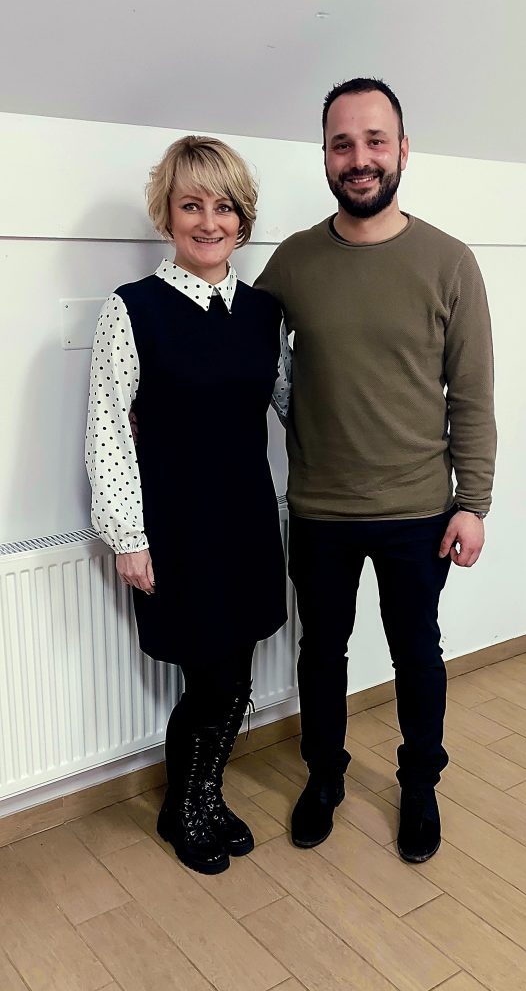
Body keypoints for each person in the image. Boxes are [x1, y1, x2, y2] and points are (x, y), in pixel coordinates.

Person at [257, 77, 496, 863]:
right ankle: (324, 776)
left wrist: (473, 502)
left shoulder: (449, 262)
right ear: (325, 156)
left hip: (418, 511)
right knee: (321, 654)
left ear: (401, 150)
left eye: (373, 141)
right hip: (319, 510)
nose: (358, 158)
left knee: (416, 654)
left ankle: (419, 783)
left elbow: (472, 393)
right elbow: (241, 356)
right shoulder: (293, 263)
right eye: (341, 144)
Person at [86, 135, 289, 875]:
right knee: (208, 680)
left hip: (247, 522)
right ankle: (183, 807)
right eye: (191, 205)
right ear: (166, 215)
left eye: (224, 206)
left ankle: (204, 795)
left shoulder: (264, 312)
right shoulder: (132, 309)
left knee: (236, 673)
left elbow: (297, 406)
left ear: (243, 218)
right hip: (178, 528)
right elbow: (108, 427)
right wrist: (127, 538)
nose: (209, 221)